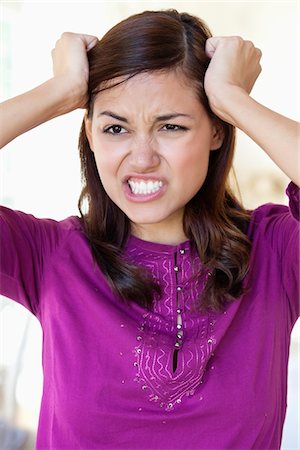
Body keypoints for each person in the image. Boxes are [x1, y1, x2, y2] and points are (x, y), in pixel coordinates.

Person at [0, 9, 299, 450]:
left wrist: (234, 99)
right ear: (90, 132)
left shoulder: (275, 252)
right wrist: (56, 92)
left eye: (171, 126)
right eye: (115, 128)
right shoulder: (49, 256)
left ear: (217, 130)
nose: (141, 159)